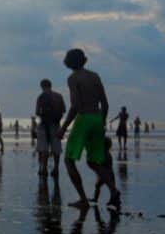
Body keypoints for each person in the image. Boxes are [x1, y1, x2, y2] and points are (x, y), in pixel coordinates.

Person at [57, 48, 120, 209]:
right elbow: (105, 104)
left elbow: (75, 106)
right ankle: (113, 190)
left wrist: (63, 127)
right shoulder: (94, 76)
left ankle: (83, 199)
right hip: (97, 118)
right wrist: (103, 122)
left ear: (68, 62)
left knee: (69, 160)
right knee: (94, 161)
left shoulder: (73, 78)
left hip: (84, 118)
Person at [35, 78, 65, 177]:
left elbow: (37, 112)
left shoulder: (41, 96)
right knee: (56, 148)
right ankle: (56, 168)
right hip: (56, 124)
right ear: (50, 85)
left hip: (44, 125)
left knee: (43, 148)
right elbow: (63, 110)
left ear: (42, 86)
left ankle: (44, 169)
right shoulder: (59, 96)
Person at [92, 137, 114, 203]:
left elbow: (102, 163)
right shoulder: (108, 154)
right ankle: (96, 198)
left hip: (105, 174)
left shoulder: (104, 154)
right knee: (110, 187)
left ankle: (96, 199)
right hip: (110, 173)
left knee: (98, 186)